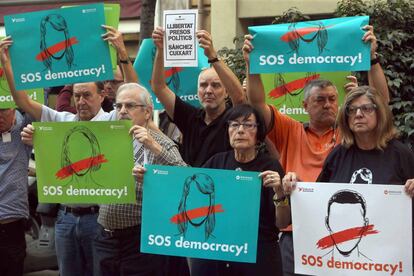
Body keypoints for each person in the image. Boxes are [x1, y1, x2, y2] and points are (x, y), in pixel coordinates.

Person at [243, 25, 389, 276]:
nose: (328, 105)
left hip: (342, 229)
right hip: (295, 231)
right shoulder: (289, 129)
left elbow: (380, 103)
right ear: (305, 104)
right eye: (320, 100)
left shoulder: (349, 132)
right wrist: (252, 63)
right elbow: (256, 105)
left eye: (333, 99)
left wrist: (373, 58)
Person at [0, 25, 137, 276]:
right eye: (76, 96)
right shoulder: (61, 119)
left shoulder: (113, 121)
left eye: (87, 95)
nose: (81, 101)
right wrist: (7, 63)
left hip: (99, 221)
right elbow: (22, 101)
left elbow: (137, 93)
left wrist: (121, 52)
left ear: (102, 94)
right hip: (64, 220)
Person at [283, 85, 414, 266]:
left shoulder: (401, 154)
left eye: (366, 108)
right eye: (352, 110)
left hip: (386, 261)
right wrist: (298, 187)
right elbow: (319, 200)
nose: (358, 114)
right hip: (343, 265)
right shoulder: (338, 154)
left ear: (380, 113)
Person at [93, 83, 187, 276]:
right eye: (118, 106)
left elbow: (185, 178)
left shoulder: (161, 143)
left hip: (139, 240)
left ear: (147, 112)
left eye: (130, 106)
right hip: (105, 237)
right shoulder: (106, 139)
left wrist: (153, 146)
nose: (123, 111)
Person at [187, 104, 290, 276]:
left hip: (258, 255)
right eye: (234, 125)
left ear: (259, 133)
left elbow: (282, 223)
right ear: (227, 131)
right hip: (217, 251)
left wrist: (279, 192)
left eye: (248, 124)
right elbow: (190, 191)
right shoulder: (216, 163)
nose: (240, 130)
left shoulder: (270, 167)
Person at [151, 27, 246, 167]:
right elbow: (159, 87)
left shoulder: (233, 119)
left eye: (215, 85)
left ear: (226, 92)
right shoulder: (190, 117)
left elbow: (239, 97)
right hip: (191, 184)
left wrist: (212, 56)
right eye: (203, 85)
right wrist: (160, 50)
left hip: (224, 185)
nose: (208, 90)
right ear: (197, 91)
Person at [0, 108, 32, 276]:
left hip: (10, 227)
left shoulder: (24, 131)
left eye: (3, 110)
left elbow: (37, 100)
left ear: (13, 110)